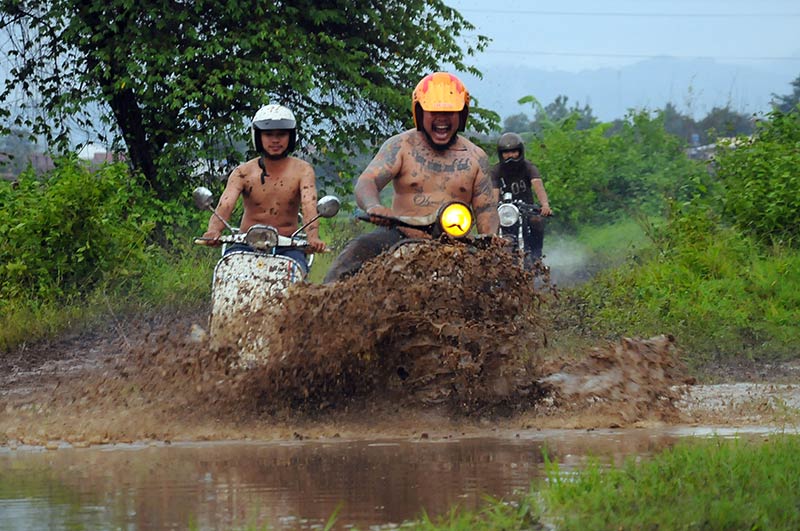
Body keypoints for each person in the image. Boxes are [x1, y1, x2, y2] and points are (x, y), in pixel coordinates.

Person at [323, 71, 499, 283]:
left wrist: (491, 242)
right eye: (433, 112)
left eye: (450, 112)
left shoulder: (476, 157)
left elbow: (486, 210)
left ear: (462, 114)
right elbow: (367, 181)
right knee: (354, 253)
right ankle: (323, 308)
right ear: (419, 112)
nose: (441, 119)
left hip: (457, 241)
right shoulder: (400, 146)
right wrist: (373, 206)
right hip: (400, 235)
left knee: (494, 281)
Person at [200, 104, 326, 273]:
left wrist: (312, 237)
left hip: (287, 246)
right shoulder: (243, 172)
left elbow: (309, 205)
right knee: (227, 273)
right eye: (268, 134)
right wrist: (213, 231)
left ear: (291, 136)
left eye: (281, 134)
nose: (275, 140)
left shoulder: (303, 170)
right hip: (245, 244)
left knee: (296, 287)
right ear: (258, 137)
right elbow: (226, 204)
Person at [491, 132, 552, 266]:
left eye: (514, 152)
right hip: (505, 211)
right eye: (506, 153)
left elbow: (538, 185)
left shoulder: (528, 167)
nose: (510, 156)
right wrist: (491, 210)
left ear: (520, 152)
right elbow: (494, 194)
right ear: (501, 154)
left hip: (526, 209)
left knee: (537, 220)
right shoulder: (496, 170)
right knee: (490, 230)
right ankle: (491, 260)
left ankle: (536, 255)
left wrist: (545, 204)